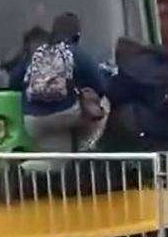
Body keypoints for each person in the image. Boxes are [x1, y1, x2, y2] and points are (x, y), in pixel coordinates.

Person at [8, 12, 111, 153]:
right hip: (66, 114)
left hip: (32, 120)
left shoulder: (37, 53)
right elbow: (100, 86)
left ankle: (23, 169)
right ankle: (87, 147)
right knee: (104, 105)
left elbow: (13, 81)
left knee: (57, 162)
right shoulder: (74, 53)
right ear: (77, 35)